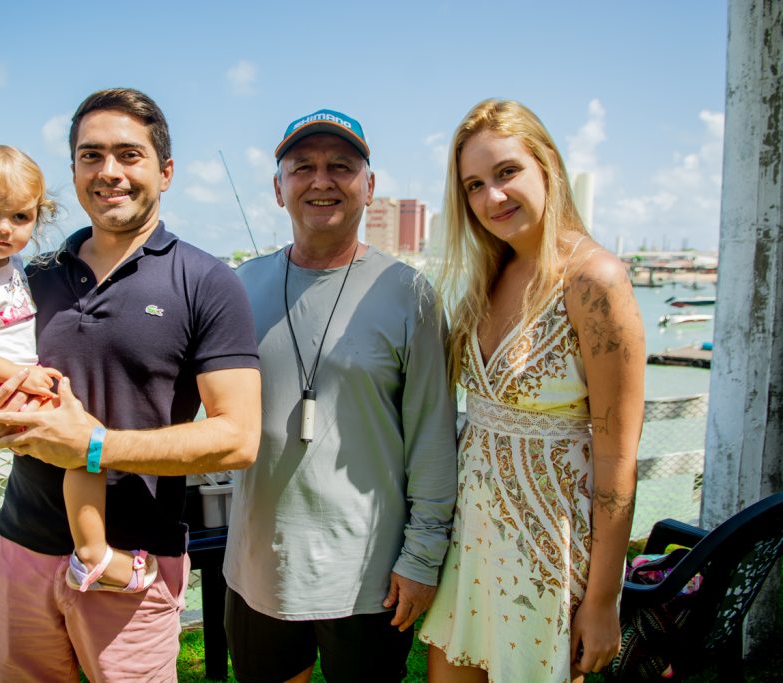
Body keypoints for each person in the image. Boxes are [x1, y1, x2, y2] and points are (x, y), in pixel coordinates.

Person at [0, 88, 261, 682]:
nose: (109, 172)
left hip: (130, 564)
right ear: (72, 171)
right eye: (91, 156)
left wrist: (94, 447)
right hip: (19, 547)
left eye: (129, 154)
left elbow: (238, 438)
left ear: (165, 171)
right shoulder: (30, 279)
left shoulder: (207, 281)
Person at [223, 109, 459, 683]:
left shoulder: (411, 295)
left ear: (369, 187)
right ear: (278, 188)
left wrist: (422, 558)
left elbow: (433, 436)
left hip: (370, 575)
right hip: (258, 566)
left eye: (341, 167)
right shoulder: (236, 288)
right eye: (302, 167)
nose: (321, 180)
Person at [418, 99, 644, 683]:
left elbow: (618, 457)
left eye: (507, 172)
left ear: (548, 166)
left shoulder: (596, 280)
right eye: (474, 184)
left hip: (548, 553)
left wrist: (602, 601)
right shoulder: (489, 272)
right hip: (471, 544)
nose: (492, 197)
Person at [0, 144, 158, 597]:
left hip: (7, 381)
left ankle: (86, 550)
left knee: (82, 450)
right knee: (88, 448)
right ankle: (94, 555)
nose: (3, 229)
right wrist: (19, 374)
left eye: (20, 218)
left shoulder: (7, 266)